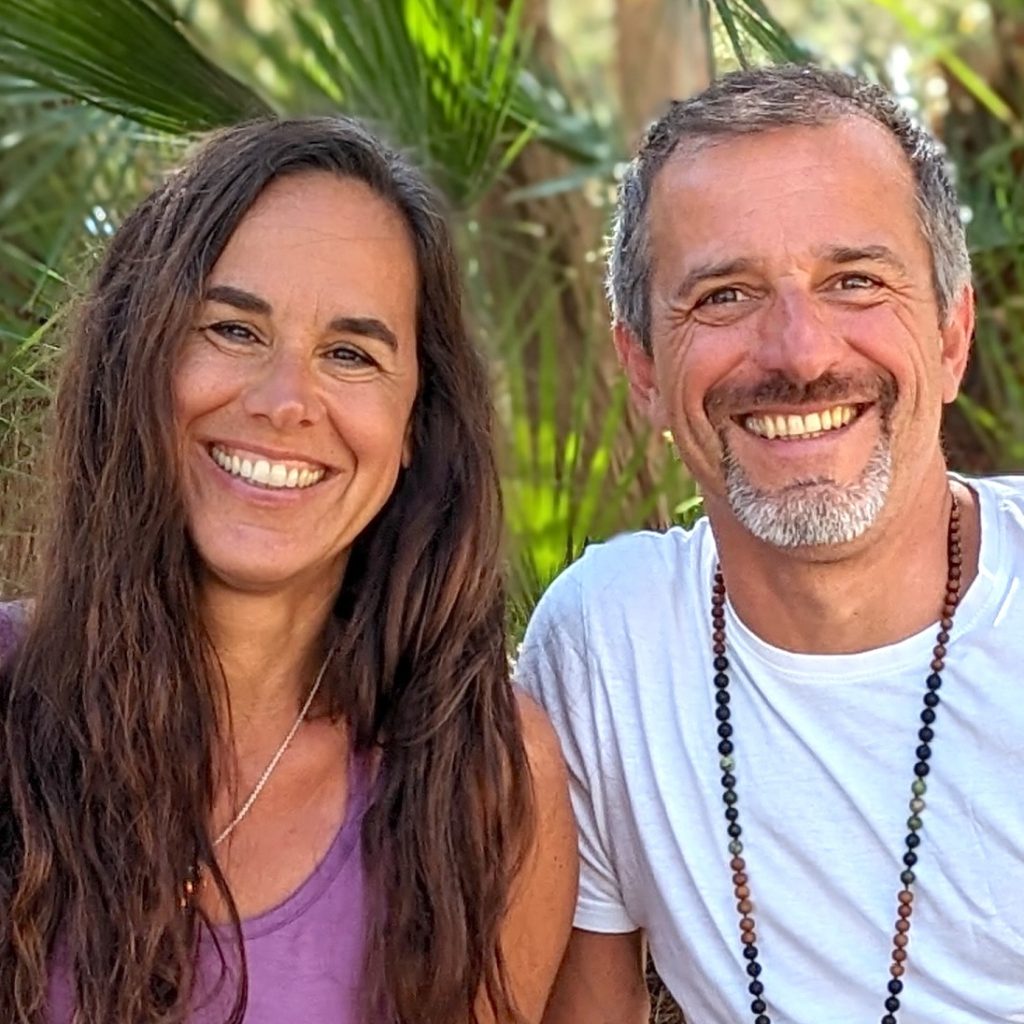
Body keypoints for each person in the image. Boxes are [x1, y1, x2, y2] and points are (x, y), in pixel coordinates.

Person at [0, 116, 577, 1024]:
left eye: (350, 354)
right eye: (232, 329)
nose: (283, 404)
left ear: (416, 424)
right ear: (134, 356)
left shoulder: (488, 779)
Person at [517, 64, 1024, 1024]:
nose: (800, 352)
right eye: (723, 296)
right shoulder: (606, 644)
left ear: (951, 337)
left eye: (855, 281)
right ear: (643, 366)